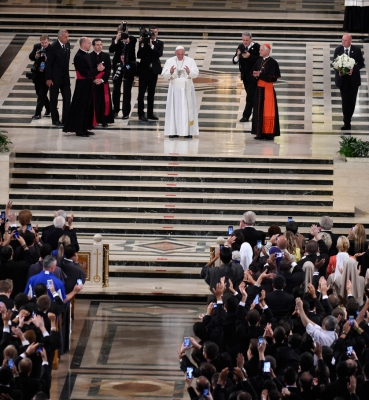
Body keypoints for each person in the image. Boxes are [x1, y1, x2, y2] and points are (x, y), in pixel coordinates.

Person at [63, 37, 105, 137]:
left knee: (88, 107)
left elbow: (89, 70)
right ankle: (79, 129)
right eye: (89, 43)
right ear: (83, 44)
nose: (90, 45)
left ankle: (85, 127)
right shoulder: (78, 56)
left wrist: (94, 76)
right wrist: (97, 70)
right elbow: (84, 72)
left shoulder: (85, 54)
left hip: (88, 83)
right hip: (82, 86)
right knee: (81, 108)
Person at [162, 46, 199, 138]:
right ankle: (173, 131)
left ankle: (188, 132)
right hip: (174, 90)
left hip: (187, 89)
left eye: (182, 54)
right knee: (174, 110)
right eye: (178, 54)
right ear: (175, 53)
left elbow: (196, 74)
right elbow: (164, 74)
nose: (180, 56)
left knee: (187, 110)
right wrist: (170, 72)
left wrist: (189, 71)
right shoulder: (169, 61)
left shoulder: (190, 61)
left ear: (184, 53)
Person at [333, 34, 365, 130]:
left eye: (345, 40)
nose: (343, 42)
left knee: (352, 101)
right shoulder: (338, 50)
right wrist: (338, 70)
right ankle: (346, 122)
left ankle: (349, 118)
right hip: (343, 80)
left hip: (353, 81)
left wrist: (353, 69)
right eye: (342, 40)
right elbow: (333, 63)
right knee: (345, 101)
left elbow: (361, 64)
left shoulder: (356, 50)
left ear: (350, 41)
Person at [251, 43, 281, 141]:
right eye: (259, 50)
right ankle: (259, 133)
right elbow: (253, 72)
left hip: (268, 90)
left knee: (267, 111)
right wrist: (255, 75)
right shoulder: (259, 61)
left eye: (261, 50)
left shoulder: (273, 62)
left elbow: (273, 78)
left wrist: (260, 74)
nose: (259, 52)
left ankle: (268, 133)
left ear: (268, 51)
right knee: (258, 111)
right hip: (258, 89)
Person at [109, 23, 137, 119]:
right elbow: (111, 50)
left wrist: (128, 41)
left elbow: (132, 52)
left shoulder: (132, 39)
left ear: (127, 32)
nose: (122, 35)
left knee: (127, 90)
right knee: (116, 89)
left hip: (128, 66)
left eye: (123, 33)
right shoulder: (115, 39)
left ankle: (126, 112)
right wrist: (116, 40)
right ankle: (115, 110)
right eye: (120, 33)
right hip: (118, 66)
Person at [44, 29, 71, 127]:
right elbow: (48, 64)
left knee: (67, 98)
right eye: (65, 37)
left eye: (68, 36)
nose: (67, 38)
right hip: (54, 78)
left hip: (65, 78)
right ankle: (55, 120)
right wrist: (48, 78)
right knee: (54, 99)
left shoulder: (67, 45)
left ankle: (66, 119)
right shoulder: (53, 47)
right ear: (59, 37)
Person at [232, 32, 261, 122]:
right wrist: (238, 55)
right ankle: (256, 115)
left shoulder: (256, 47)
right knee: (251, 96)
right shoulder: (241, 46)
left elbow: (260, 59)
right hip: (245, 76)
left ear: (251, 39)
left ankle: (246, 116)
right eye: (243, 40)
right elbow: (234, 60)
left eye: (247, 40)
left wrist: (250, 56)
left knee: (250, 96)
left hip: (254, 76)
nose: (245, 42)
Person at [137, 26, 163, 121]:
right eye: (152, 32)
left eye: (155, 32)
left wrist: (152, 46)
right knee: (141, 93)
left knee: (151, 93)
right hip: (144, 71)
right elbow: (139, 55)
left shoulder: (160, 43)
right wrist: (142, 45)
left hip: (154, 71)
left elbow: (159, 54)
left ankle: (150, 113)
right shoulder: (144, 42)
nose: (154, 33)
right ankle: (141, 114)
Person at [89, 38, 114, 128]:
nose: (99, 46)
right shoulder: (89, 56)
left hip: (103, 83)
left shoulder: (106, 56)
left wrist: (102, 80)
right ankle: (94, 120)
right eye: (97, 45)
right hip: (93, 82)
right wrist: (94, 79)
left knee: (104, 101)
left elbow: (108, 70)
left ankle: (104, 120)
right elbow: (89, 70)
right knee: (94, 101)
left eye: (100, 44)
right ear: (93, 46)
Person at [28, 35, 51, 120]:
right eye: (42, 42)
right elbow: (30, 56)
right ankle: (49, 108)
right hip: (37, 74)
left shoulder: (52, 49)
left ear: (48, 41)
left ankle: (38, 113)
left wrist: (47, 60)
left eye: (45, 42)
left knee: (41, 95)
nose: (44, 44)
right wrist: (36, 56)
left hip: (46, 75)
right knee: (39, 93)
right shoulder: (37, 46)